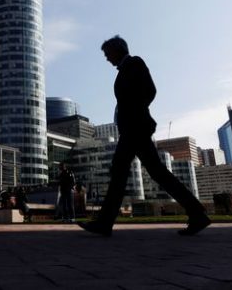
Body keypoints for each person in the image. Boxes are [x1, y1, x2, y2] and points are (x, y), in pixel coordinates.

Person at [80, 36, 210, 237]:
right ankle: (197, 213)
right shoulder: (124, 70)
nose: (107, 58)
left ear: (118, 50)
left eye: (108, 54)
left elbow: (150, 91)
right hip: (132, 129)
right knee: (152, 172)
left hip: (135, 128)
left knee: (122, 170)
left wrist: (134, 111)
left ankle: (104, 223)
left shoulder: (134, 63)